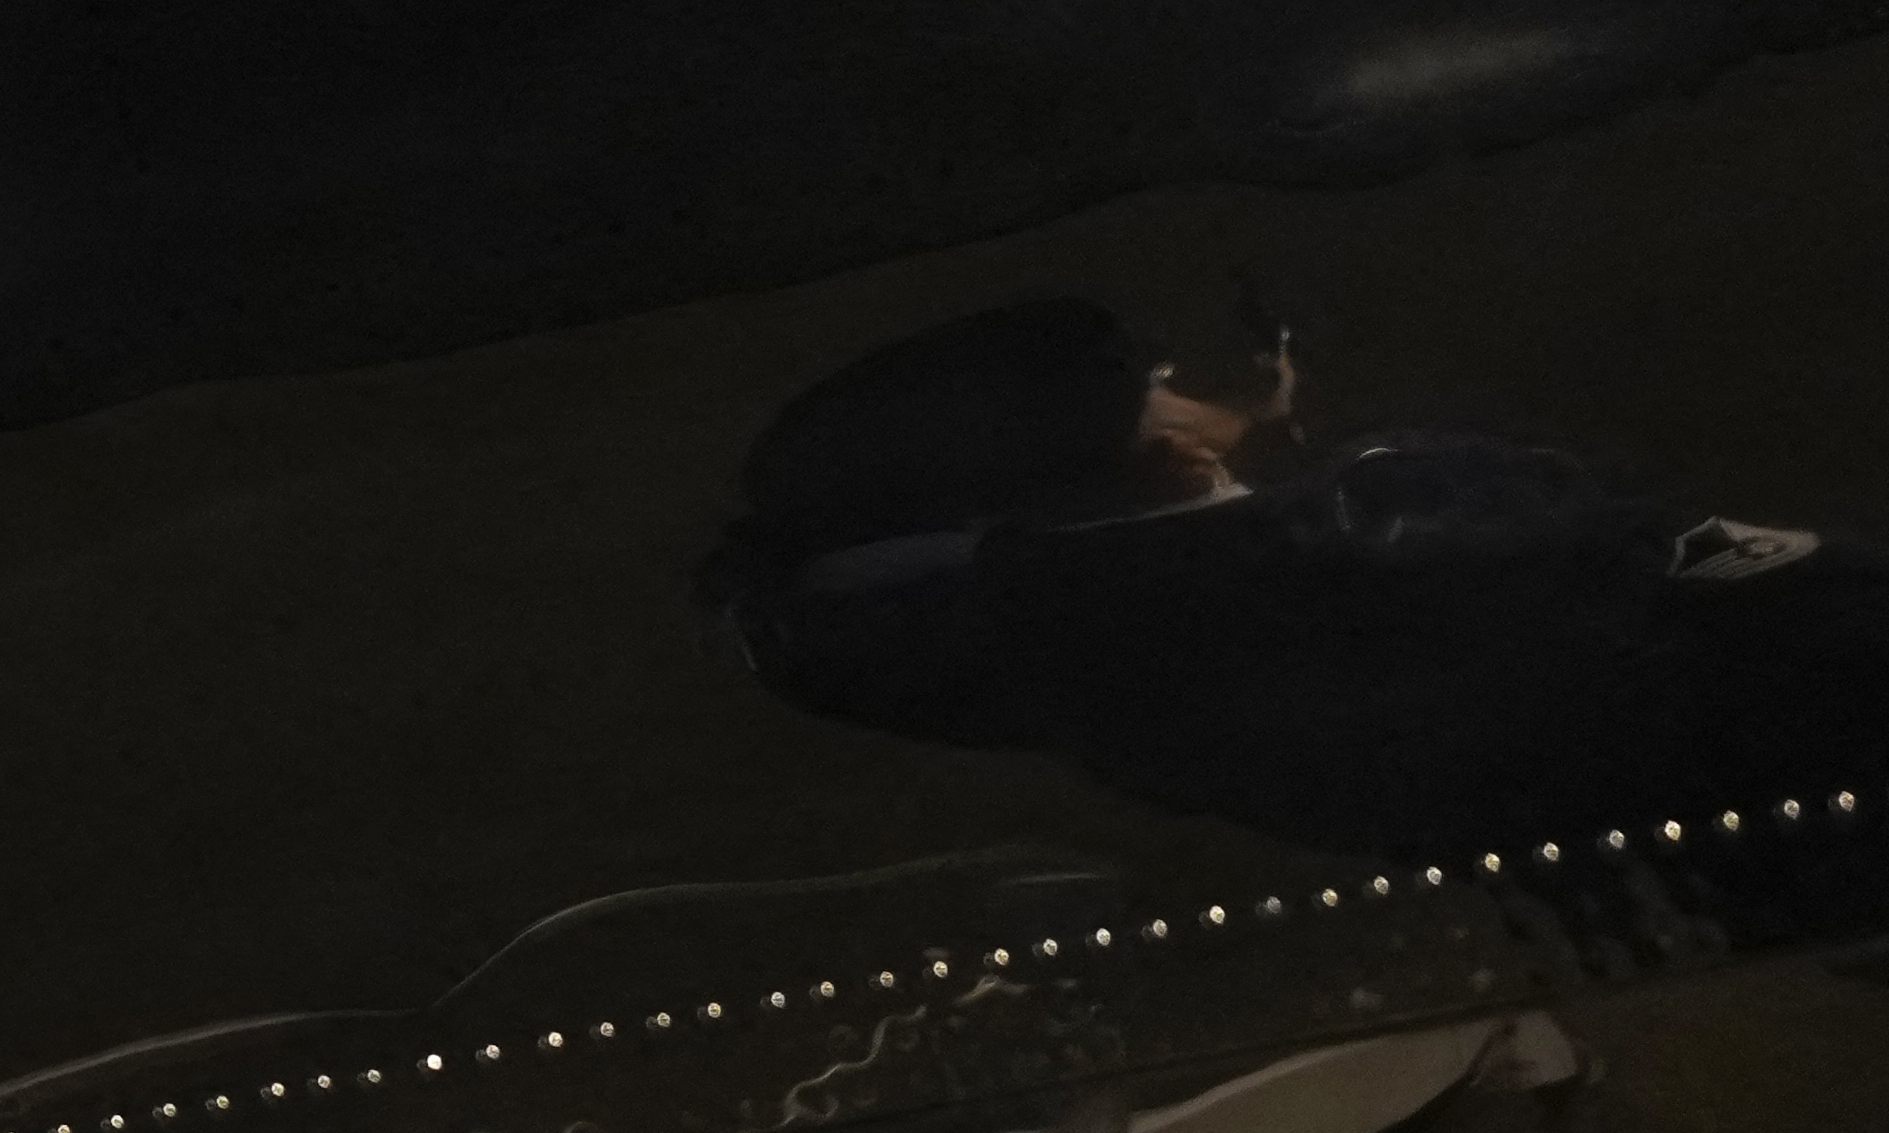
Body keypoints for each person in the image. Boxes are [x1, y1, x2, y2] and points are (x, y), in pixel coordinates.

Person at [705, 290, 1889, 859]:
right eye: (1166, 387)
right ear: (1160, 451)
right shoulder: (1392, 527)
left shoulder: (1128, 703)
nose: (1255, 401)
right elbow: (1777, 588)